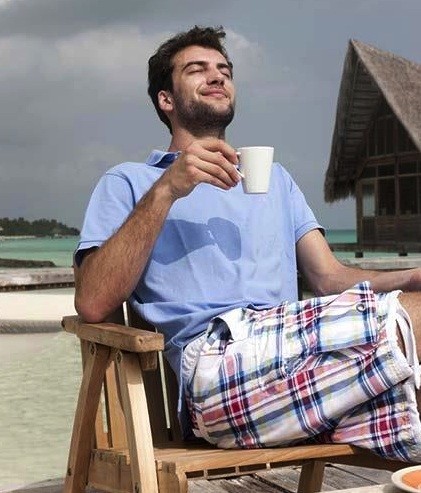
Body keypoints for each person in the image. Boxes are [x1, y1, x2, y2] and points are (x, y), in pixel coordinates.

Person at [74, 25, 421, 461]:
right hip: (216, 368)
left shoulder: (276, 179)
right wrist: (167, 190)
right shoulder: (130, 182)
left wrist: (410, 275)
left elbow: (331, 278)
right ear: (166, 99)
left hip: (298, 359)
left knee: (413, 394)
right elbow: (91, 303)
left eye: (224, 70)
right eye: (197, 70)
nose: (217, 77)